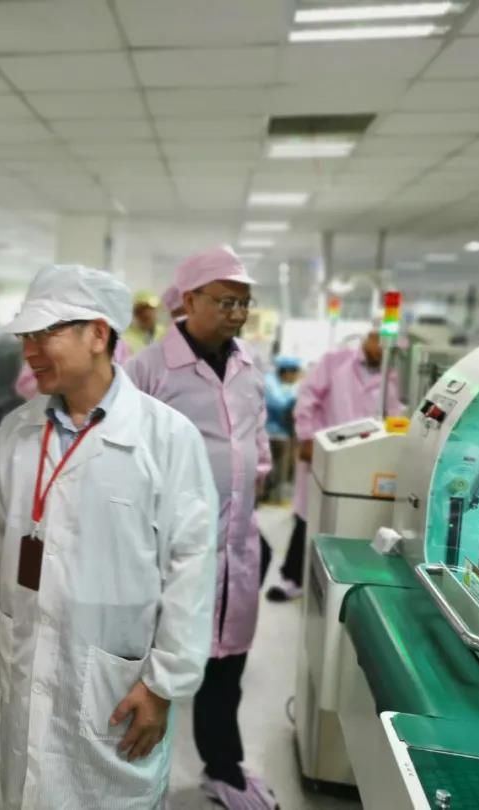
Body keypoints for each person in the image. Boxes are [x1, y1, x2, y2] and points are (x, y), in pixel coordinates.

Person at [0, 264, 219, 810]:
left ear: (98, 334)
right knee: (28, 788)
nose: (29, 351)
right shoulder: (18, 431)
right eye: (25, 336)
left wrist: (164, 685)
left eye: (44, 334)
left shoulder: (167, 438)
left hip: (116, 679)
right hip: (29, 659)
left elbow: (191, 568)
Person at [125, 245, 277, 810]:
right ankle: (132, 780)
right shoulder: (146, 370)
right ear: (189, 300)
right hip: (166, 548)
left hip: (236, 541)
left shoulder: (249, 364)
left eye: (244, 303)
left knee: (227, 664)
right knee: (149, 665)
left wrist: (253, 481)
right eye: (225, 301)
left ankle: (223, 768)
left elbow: (256, 438)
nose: (237, 313)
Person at [267, 329, 403, 603]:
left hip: (362, 460)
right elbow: (307, 399)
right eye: (379, 342)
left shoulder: (390, 375)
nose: (382, 350)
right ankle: (292, 579)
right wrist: (307, 437)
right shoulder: (335, 361)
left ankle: (337, 582)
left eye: (390, 347)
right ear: (368, 337)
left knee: (348, 520)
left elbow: (393, 414)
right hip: (324, 452)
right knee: (308, 518)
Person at [262, 356, 301, 503]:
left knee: (280, 468)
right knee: (270, 467)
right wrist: (296, 399)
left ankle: (275, 497)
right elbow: (280, 404)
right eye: (295, 374)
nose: (295, 378)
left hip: (282, 433)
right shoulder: (269, 382)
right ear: (287, 372)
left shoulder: (282, 384)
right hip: (270, 433)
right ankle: (267, 496)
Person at [123, 290, 165, 355]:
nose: (148, 313)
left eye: (152, 310)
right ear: (135, 313)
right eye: (141, 311)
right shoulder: (125, 338)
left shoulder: (165, 333)